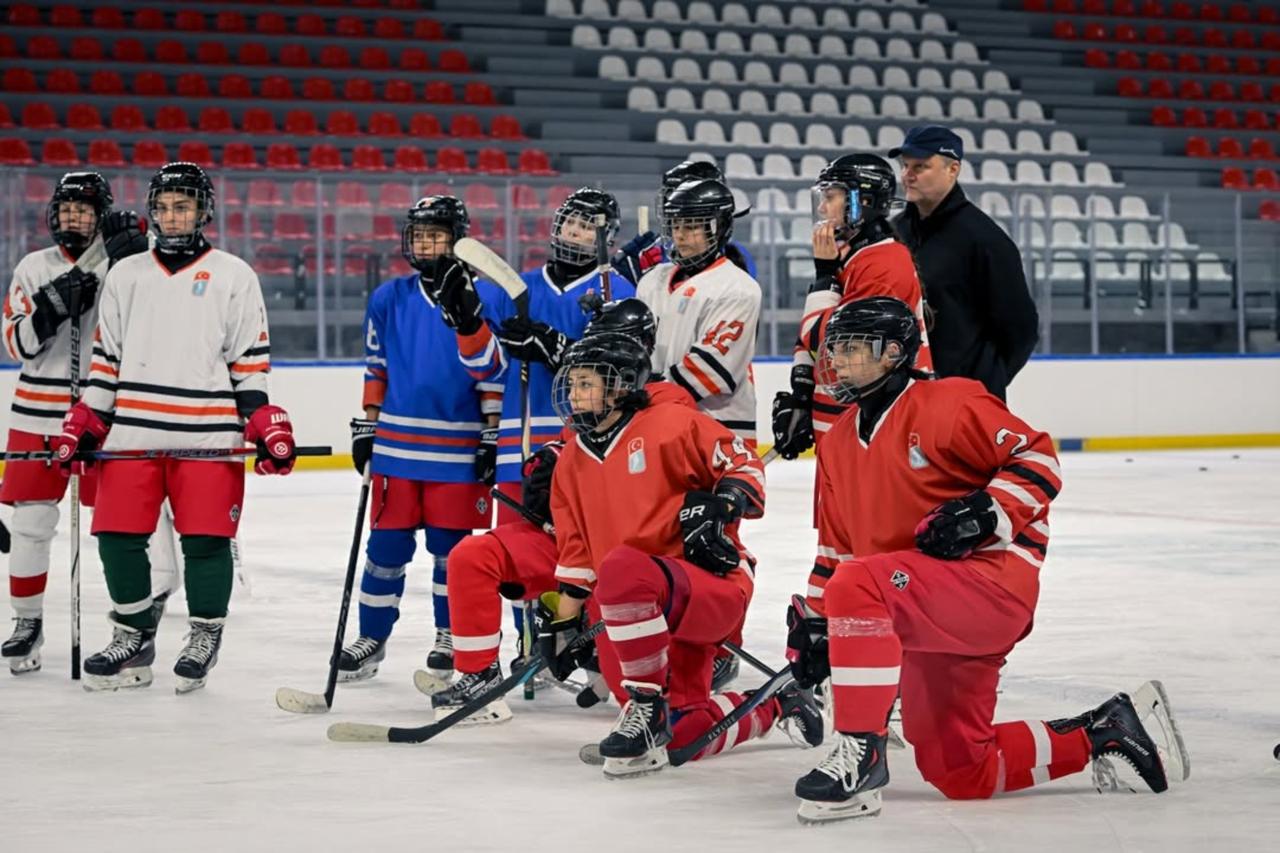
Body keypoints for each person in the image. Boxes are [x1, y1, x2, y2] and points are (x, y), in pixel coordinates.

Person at [785, 297, 1188, 823]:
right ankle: (1104, 730)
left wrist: (988, 511)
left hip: (989, 585)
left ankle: (860, 753)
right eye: (834, 350)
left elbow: (1038, 457)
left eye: (852, 348)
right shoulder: (838, 441)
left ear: (893, 353)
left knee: (859, 584)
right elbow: (836, 551)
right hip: (920, 602)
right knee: (961, 771)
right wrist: (819, 626)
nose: (837, 361)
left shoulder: (949, 402)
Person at [50, 162, 297, 694]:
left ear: (203, 211)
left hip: (207, 436)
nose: (172, 216)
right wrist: (86, 421)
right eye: (162, 207)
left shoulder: (234, 275)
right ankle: (133, 633)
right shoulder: (126, 275)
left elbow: (248, 365)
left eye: (183, 205)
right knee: (116, 538)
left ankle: (205, 634)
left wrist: (263, 421)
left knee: (206, 541)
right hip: (132, 435)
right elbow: (106, 364)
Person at [539, 332, 820, 778]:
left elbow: (743, 462)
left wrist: (725, 501)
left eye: (586, 383)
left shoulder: (672, 423)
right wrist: (562, 627)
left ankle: (646, 706)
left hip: (704, 587)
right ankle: (776, 702)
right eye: (571, 383)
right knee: (683, 735)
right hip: (630, 609)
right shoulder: (571, 459)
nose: (573, 394)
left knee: (623, 568)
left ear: (619, 386)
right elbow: (577, 556)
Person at [435, 299, 692, 716]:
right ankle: (479, 674)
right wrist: (549, 462)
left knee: (629, 678)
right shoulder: (588, 404)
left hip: (629, 558)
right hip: (572, 547)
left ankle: (645, 690)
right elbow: (573, 450)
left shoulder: (670, 406)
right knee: (473, 556)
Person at [433, 187, 636, 663]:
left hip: (589, 448)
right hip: (518, 446)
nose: (576, 232)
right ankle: (532, 647)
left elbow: (623, 370)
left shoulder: (620, 293)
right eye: (571, 222)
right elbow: (485, 367)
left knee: (586, 554)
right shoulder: (515, 288)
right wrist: (468, 326)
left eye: (587, 226)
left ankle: (588, 649)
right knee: (516, 558)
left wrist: (558, 348)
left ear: (607, 237)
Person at [336, 196, 501, 683]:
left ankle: (449, 635)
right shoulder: (389, 297)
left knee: (452, 553)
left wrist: (492, 433)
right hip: (396, 447)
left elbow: (493, 375)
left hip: (458, 449)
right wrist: (369, 423)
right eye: (420, 235)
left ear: (458, 240)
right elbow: (377, 365)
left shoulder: (485, 298)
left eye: (437, 235)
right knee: (384, 550)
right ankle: (371, 637)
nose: (426, 244)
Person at [0, 171, 157, 674]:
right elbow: (16, 344)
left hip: (101, 413)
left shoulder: (124, 264)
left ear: (101, 215)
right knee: (30, 525)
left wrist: (134, 260)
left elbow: (151, 325)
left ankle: (133, 625)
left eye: (84, 210)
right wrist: (49, 309)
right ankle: (27, 622)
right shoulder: (33, 266)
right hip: (36, 415)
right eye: (66, 208)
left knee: (120, 526)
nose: (72, 217)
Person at [771, 153, 933, 461]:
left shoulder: (885, 264)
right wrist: (802, 394)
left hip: (870, 424)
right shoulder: (850, 256)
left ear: (863, 201)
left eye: (830, 197)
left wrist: (824, 277)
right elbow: (810, 340)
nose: (822, 207)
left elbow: (827, 341)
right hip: (841, 417)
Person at [890, 125, 1038, 400]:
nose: (907, 175)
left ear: (953, 169)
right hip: (905, 395)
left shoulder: (985, 239)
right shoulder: (895, 231)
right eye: (905, 165)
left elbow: (1020, 329)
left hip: (966, 397)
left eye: (920, 166)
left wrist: (985, 381)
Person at [613, 160, 756, 286]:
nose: (672, 203)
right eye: (669, 196)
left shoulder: (736, 257)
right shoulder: (650, 252)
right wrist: (632, 278)